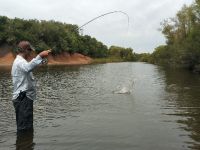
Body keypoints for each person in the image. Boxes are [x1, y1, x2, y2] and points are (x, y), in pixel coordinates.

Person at [11, 41, 51, 133]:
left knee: (26, 126)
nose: (30, 53)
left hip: (24, 98)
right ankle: (24, 145)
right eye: (30, 51)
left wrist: (41, 60)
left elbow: (29, 67)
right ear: (26, 50)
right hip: (23, 99)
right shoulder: (19, 62)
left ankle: (25, 144)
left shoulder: (21, 62)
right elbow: (28, 67)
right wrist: (40, 55)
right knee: (24, 128)